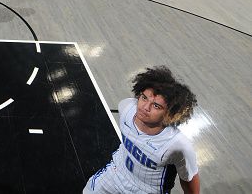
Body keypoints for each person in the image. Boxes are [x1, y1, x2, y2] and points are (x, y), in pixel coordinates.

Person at [83, 66, 199, 194]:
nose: (145, 107)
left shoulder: (177, 145)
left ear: (170, 114)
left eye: (156, 105)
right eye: (144, 97)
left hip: (147, 189)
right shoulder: (126, 108)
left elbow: (189, 179)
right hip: (117, 171)